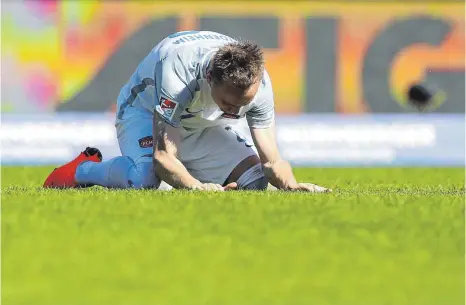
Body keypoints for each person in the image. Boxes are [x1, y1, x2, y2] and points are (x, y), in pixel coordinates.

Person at [43, 30, 330, 192]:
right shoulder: (177, 69)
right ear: (210, 79)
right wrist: (197, 187)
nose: (235, 113)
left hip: (200, 124)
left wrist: (293, 187)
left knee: (253, 184)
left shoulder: (259, 83)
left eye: (243, 106)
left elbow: (271, 160)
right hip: (143, 114)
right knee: (145, 181)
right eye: (229, 104)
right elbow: (164, 157)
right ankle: (83, 170)